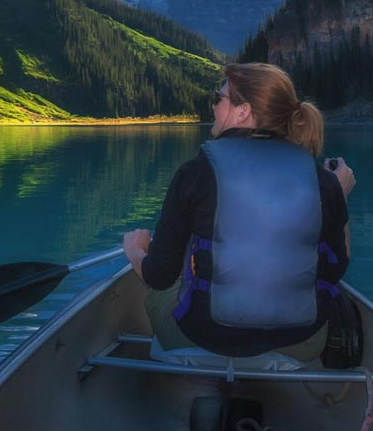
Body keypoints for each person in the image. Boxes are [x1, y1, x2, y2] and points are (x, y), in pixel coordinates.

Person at [123, 62, 355, 359]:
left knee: (163, 291)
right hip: (300, 340)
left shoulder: (195, 173)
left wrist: (135, 251)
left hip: (206, 336)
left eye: (217, 99)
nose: (213, 107)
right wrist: (339, 197)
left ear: (242, 111)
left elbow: (159, 276)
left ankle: (205, 379)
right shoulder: (322, 180)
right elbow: (335, 270)